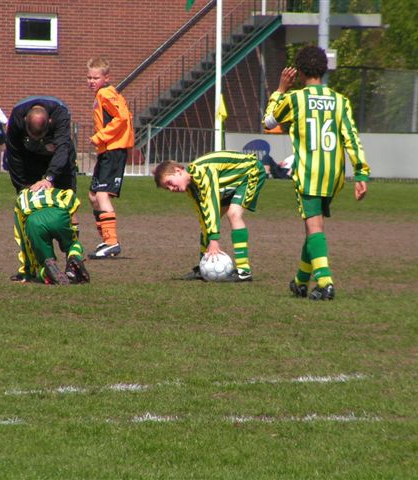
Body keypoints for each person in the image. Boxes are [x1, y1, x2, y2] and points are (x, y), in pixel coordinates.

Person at [263, 45, 370, 300]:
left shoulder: (295, 98)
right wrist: (361, 174)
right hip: (333, 176)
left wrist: (280, 90)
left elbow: (268, 122)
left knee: (314, 228)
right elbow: (351, 139)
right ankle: (300, 281)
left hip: (309, 173)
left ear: (299, 72)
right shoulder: (340, 101)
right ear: (324, 69)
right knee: (314, 228)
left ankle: (325, 282)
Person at [153, 151, 266, 282]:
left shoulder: (202, 171)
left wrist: (214, 241)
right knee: (209, 221)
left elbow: (211, 203)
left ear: (178, 171)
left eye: (169, 183)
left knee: (234, 214)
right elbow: (204, 216)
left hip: (250, 172)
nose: (171, 189)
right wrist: (207, 246)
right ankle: (203, 268)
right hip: (228, 183)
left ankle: (244, 271)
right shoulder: (192, 188)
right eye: (167, 188)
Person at [5, 95, 79, 281]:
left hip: (59, 162)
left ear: (50, 122)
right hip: (29, 162)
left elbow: (63, 149)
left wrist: (50, 177)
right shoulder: (16, 118)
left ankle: (71, 262)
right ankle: (55, 259)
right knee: (27, 208)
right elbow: (13, 155)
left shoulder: (60, 115)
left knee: (69, 204)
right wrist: (21, 187)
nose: (37, 140)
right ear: (24, 122)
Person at [86, 57, 134, 259]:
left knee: (102, 195)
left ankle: (111, 243)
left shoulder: (106, 93)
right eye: (88, 77)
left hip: (114, 149)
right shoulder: (101, 94)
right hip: (107, 150)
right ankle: (106, 241)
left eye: (95, 77)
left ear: (106, 78)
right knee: (93, 196)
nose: (91, 81)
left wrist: (100, 137)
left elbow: (122, 118)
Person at [13, 187, 90, 285]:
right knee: (73, 245)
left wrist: (27, 272)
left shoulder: (21, 196)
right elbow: (70, 195)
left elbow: (22, 237)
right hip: (58, 215)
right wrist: (71, 220)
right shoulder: (50, 189)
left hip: (34, 221)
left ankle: (46, 272)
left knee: (44, 262)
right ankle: (74, 256)